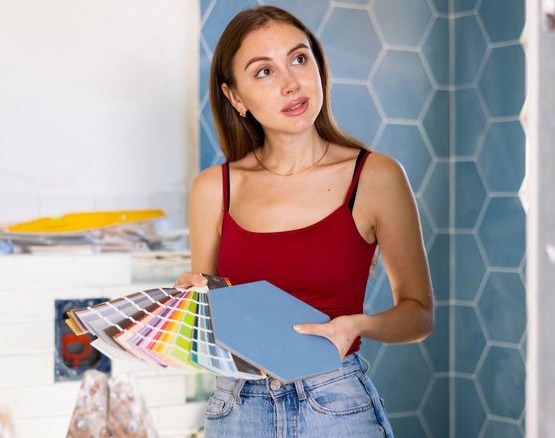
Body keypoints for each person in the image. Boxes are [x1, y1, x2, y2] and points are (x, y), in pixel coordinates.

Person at [175, 6, 434, 437]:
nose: (291, 83)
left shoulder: (375, 177)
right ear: (235, 97)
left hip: (336, 403)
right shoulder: (213, 189)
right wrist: (192, 301)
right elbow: (209, 329)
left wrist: (359, 325)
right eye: (263, 72)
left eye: (299, 59)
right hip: (239, 406)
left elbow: (419, 316)